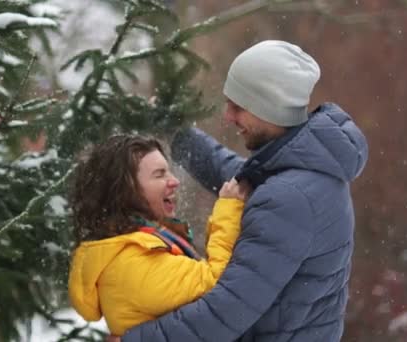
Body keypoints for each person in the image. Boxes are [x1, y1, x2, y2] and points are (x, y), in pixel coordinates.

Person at [121, 40, 369, 341]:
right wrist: (177, 133)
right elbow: (235, 172)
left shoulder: (289, 199)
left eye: (238, 106)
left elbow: (225, 311)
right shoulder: (306, 168)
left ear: (270, 107)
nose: (227, 115)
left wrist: (135, 338)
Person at [67, 134, 249, 337]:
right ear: (126, 189)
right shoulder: (130, 261)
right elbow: (220, 286)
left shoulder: (140, 244)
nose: (174, 181)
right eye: (159, 174)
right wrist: (230, 208)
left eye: (169, 171)